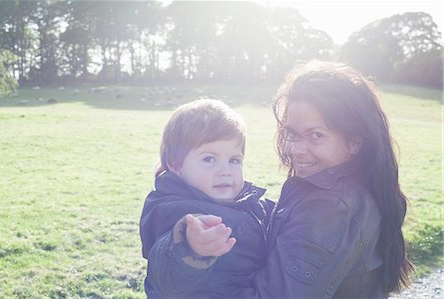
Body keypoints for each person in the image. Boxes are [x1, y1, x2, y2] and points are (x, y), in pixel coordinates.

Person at [161, 60, 414, 298]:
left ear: (355, 142)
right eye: (292, 134)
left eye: (316, 135)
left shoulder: (332, 209)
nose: (295, 149)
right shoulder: (336, 187)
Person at [139, 99, 274, 298]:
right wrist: (190, 248)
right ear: (176, 165)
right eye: (209, 159)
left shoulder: (244, 202)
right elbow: (166, 274)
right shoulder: (174, 210)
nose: (225, 171)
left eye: (234, 160)